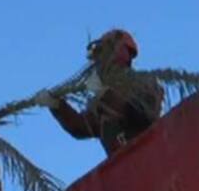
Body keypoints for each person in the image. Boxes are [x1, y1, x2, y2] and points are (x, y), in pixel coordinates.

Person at [36, 29, 164, 155]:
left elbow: (144, 113)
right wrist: (57, 106)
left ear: (122, 52)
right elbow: (80, 127)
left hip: (151, 156)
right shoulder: (101, 104)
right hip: (125, 166)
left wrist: (105, 95)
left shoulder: (143, 81)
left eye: (103, 53)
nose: (99, 62)